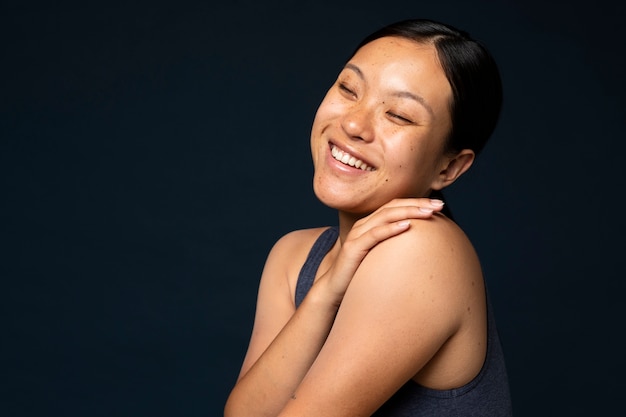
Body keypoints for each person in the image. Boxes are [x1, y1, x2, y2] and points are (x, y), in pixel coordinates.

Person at [224, 18, 512, 416]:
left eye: (399, 115)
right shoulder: (293, 256)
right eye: (348, 88)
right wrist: (326, 291)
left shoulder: (421, 250)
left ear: (449, 168)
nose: (354, 124)